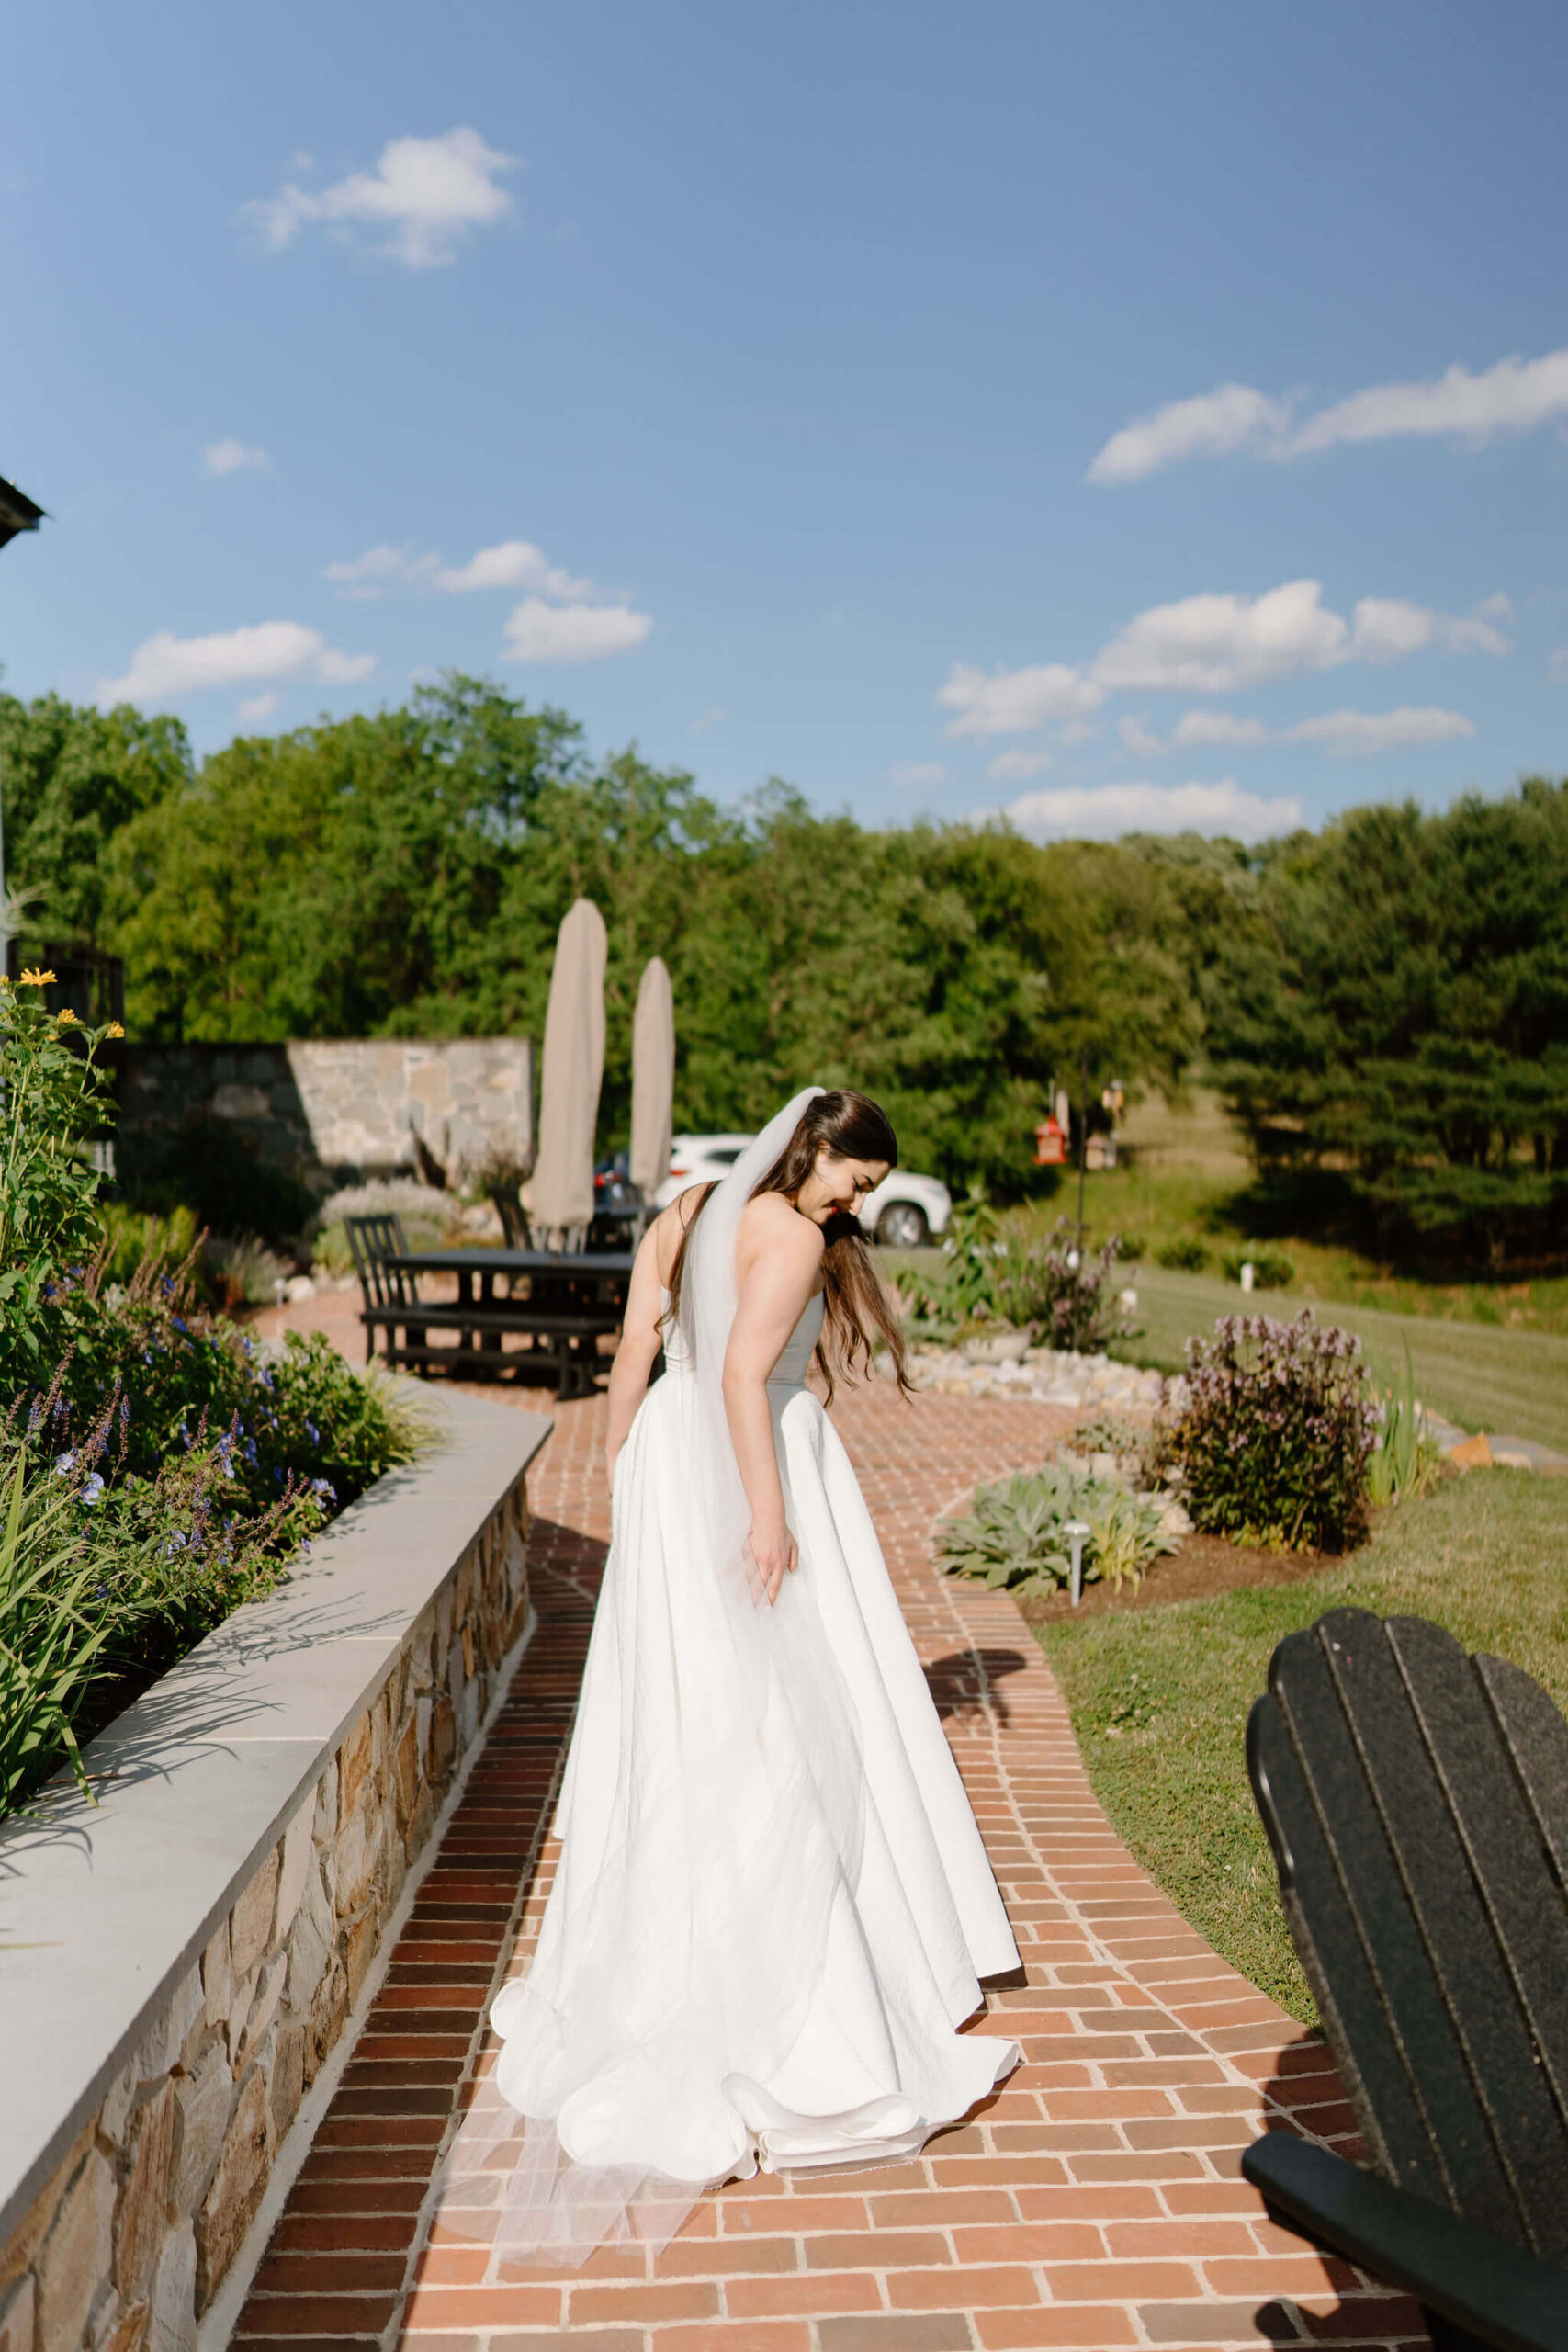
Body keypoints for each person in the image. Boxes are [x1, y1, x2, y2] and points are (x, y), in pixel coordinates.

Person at [437, 1088, 1020, 2267]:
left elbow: (641, 1346)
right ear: (818, 1149)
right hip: (757, 1469)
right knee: (786, 1714)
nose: (861, 1199)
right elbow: (745, 1378)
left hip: (665, 1470)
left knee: (693, 1708)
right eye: (859, 1175)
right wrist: (766, 1513)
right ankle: (808, 1963)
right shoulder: (795, 1235)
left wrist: (622, 1467)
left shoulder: (689, 1210)